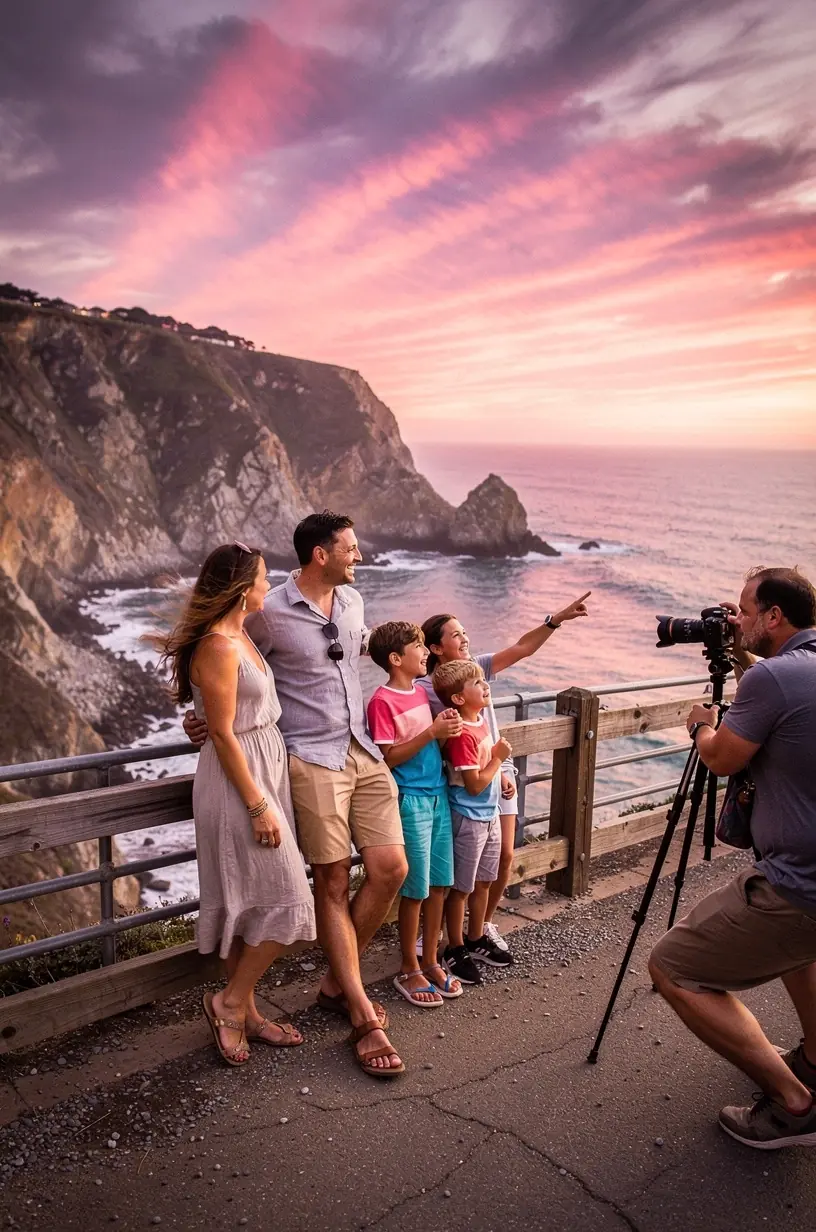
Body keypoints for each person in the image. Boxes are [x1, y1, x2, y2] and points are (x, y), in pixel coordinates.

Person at [184, 513, 407, 1078]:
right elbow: (220, 675)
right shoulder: (267, 616)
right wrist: (205, 720)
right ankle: (349, 1004)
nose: (360, 556)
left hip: (357, 749)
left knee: (390, 869)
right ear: (320, 555)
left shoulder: (352, 605)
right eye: (351, 548)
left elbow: (242, 678)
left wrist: (437, 686)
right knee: (315, 888)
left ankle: (321, 984)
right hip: (302, 759)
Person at [648, 566, 816, 1149]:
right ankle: (815, 1060)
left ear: (774, 616)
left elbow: (721, 758)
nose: (737, 619)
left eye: (746, 612)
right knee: (800, 953)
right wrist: (750, 658)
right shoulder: (796, 670)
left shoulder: (773, 679)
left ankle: (796, 1105)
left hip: (799, 885)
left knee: (672, 967)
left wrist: (701, 727)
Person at [151, 542, 316, 1066]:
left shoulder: (240, 633)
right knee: (290, 896)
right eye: (265, 578)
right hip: (238, 780)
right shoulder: (220, 646)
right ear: (244, 588)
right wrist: (257, 805)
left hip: (262, 766)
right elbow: (221, 734)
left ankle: (242, 1008)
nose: (272, 585)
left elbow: (220, 715)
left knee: (253, 897)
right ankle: (228, 1003)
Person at [418, 594, 590, 950]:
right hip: (465, 780)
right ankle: (439, 934)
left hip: (498, 769)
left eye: (464, 632)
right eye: (455, 635)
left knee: (504, 856)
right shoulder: (426, 688)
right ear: (435, 648)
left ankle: (480, 927)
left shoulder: (478, 668)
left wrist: (555, 619)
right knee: (453, 865)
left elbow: (523, 647)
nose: (465, 638)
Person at [366, 621, 464, 1007]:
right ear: (395, 658)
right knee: (416, 889)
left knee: (440, 884)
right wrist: (432, 734)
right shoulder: (381, 701)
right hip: (411, 800)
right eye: (419, 647)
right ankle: (409, 966)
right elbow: (388, 758)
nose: (426, 653)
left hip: (439, 794)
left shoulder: (422, 694)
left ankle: (431, 958)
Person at [432, 659, 514, 985]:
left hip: (490, 815)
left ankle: (476, 936)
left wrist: (502, 776)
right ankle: (455, 947)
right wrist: (498, 759)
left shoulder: (480, 721)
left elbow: (487, 777)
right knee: (461, 889)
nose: (485, 686)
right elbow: (475, 784)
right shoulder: (462, 735)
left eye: (483, 681)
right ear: (458, 699)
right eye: (477, 684)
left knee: (483, 882)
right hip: (468, 818)